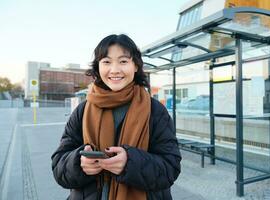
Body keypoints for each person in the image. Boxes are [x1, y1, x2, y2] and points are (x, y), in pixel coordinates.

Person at [51, 34, 182, 200]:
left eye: (123, 61)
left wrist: (130, 164)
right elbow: (58, 167)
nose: (114, 70)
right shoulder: (82, 110)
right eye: (106, 61)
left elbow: (170, 168)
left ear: (135, 66)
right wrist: (78, 163)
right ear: (98, 67)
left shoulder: (155, 111)